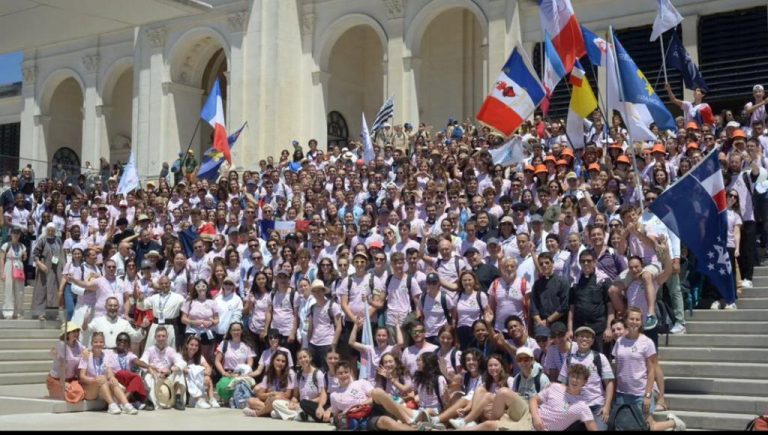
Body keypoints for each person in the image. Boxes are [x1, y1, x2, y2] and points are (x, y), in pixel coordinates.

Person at [612, 310, 686, 431]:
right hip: (622, 394)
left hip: (640, 394)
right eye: (631, 319)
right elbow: (617, 369)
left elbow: (652, 371)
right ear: (626, 320)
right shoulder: (619, 342)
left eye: (637, 319)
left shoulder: (647, 342)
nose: (634, 322)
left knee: (646, 427)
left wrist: (647, 395)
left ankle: (673, 423)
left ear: (641, 322)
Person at [557, 326, 615, 430]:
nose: (584, 339)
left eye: (588, 337)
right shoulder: (569, 359)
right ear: (575, 338)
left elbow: (609, 383)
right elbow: (562, 384)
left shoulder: (599, 358)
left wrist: (606, 407)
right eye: (581, 336)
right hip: (575, 406)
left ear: (592, 341)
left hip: (596, 406)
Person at [78, 331, 138, 415]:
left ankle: (126, 405)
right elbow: (82, 377)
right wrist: (95, 380)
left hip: (103, 387)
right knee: (101, 379)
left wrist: (112, 377)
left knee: (112, 381)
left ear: (104, 343)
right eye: (95, 342)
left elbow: (109, 371)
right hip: (90, 389)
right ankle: (111, 404)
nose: (98, 344)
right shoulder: (86, 356)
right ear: (91, 343)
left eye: (101, 342)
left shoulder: (106, 355)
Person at [529, 364, 599, 431]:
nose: (574, 380)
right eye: (573, 376)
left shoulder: (582, 406)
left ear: (585, 382)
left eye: (578, 378)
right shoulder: (555, 387)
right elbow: (533, 399)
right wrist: (535, 417)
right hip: (529, 418)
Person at [139, 326, 187, 410]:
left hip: (167, 376)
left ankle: (178, 399)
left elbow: (182, 362)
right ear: (155, 337)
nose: (161, 338)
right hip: (155, 377)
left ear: (167, 337)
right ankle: (150, 402)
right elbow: (142, 362)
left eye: (163, 336)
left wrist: (170, 370)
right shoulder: (149, 350)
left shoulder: (171, 350)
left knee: (179, 372)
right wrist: (151, 370)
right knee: (147, 376)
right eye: (159, 336)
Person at [243, 349, 296, 417]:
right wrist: (270, 394)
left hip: (284, 402)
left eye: (283, 361)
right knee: (251, 400)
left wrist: (274, 394)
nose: (280, 363)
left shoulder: (290, 374)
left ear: (286, 364)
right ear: (273, 361)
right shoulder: (268, 374)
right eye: (278, 360)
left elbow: (288, 395)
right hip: (269, 401)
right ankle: (272, 411)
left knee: (274, 399)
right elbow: (260, 394)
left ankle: (258, 413)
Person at [46, 322, 86, 401]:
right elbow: (62, 364)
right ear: (67, 333)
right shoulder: (61, 345)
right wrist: (63, 382)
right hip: (58, 379)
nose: (76, 333)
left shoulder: (77, 344)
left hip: (72, 379)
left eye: (77, 331)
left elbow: (86, 352)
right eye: (73, 331)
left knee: (80, 393)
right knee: (70, 395)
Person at [32, 222, 64, 320]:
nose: (50, 232)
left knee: (54, 291)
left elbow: (62, 254)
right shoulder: (42, 240)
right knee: (41, 291)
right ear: (46, 230)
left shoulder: (58, 240)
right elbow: (35, 254)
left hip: (55, 270)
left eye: (52, 230)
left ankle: (52, 314)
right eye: (49, 230)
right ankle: (40, 313)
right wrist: (40, 264)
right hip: (44, 269)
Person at [0, 227, 27, 319]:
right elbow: (2, 259)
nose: (16, 235)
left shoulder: (22, 246)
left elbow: (24, 258)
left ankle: (18, 312)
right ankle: (8, 313)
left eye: (18, 233)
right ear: (11, 234)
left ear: (20, 235)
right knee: (8, 290)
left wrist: (25, 255)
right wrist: (2, 272)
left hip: (19, 266)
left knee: (19, 291)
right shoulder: (6, 245)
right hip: (8, 265)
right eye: (14, 233)